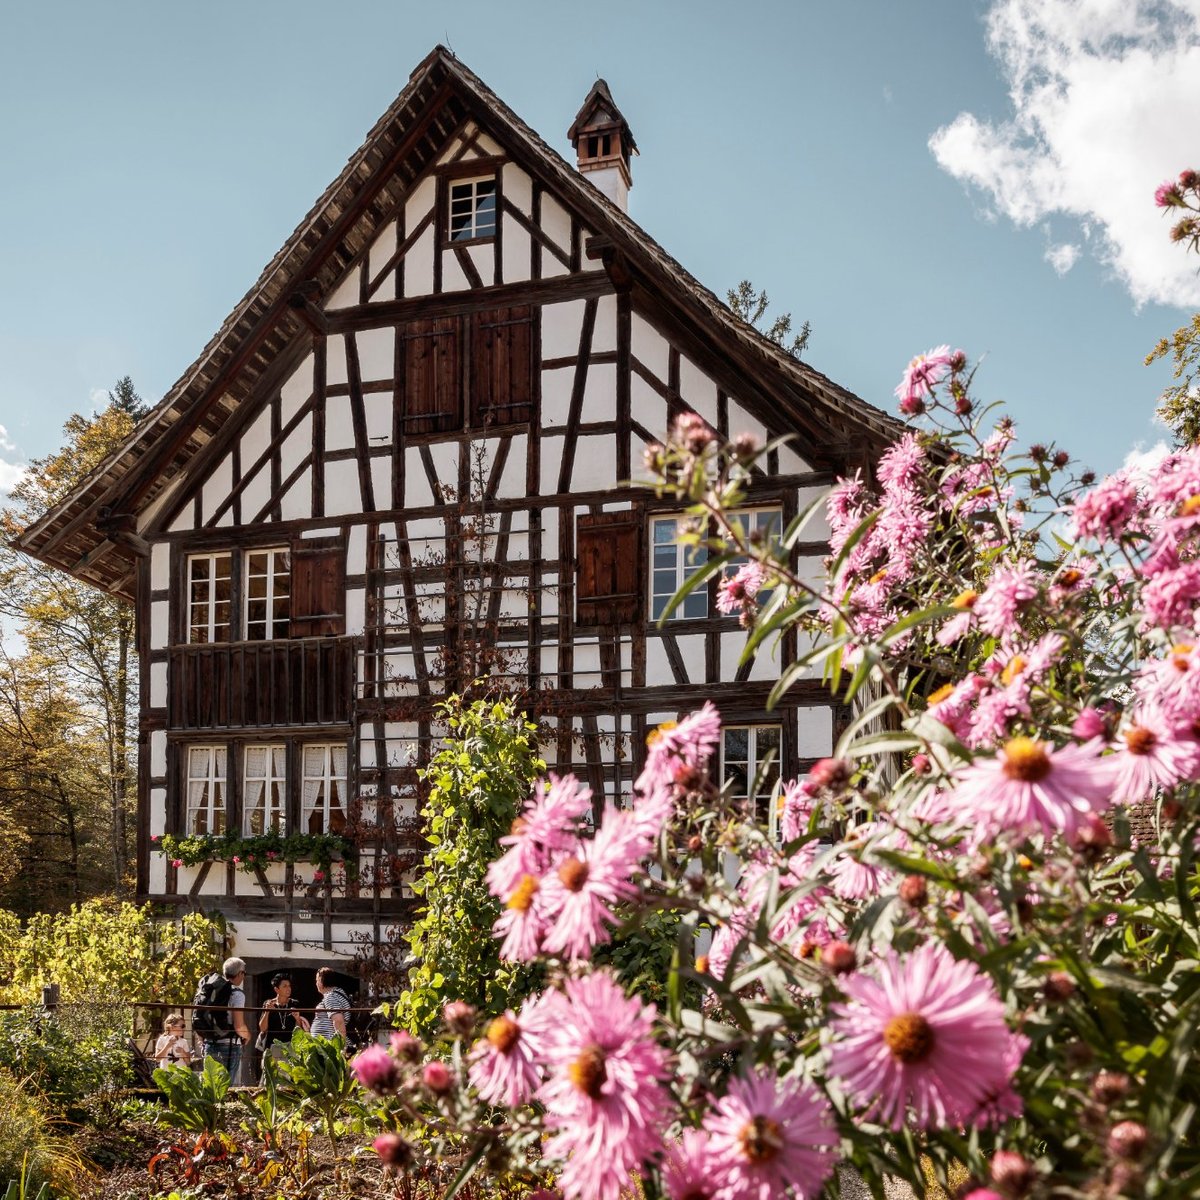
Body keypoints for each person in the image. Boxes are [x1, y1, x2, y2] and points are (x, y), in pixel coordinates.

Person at [201, 956, 251, 1082]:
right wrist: (248, 1036)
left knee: (211, 1087)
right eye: (244, 973)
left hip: (209, 1043)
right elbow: (239, 1026)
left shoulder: (212, 990)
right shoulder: (237, 994)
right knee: (227, 1089)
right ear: (240, 973)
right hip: (229, 1047)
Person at [257, 972, 309, 1075]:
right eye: (284, 986)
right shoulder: (269, 1003)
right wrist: (267, 1011)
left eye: (289, 986)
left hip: (289, 1047)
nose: (288, 989)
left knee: (289, 1077)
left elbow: (299, 1029)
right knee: (271, 1075)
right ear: (276, 989)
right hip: (272, 1045)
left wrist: (297, 1018)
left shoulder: (294, 1003)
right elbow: (262, 1028)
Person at [309, 966, 351, 1042]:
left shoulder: (330, 997)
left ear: (321, 981)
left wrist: (341, 1047)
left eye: (316, 981)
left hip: (329, 1047)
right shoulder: (336, 994)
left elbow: (338, 1021)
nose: (316, 984)